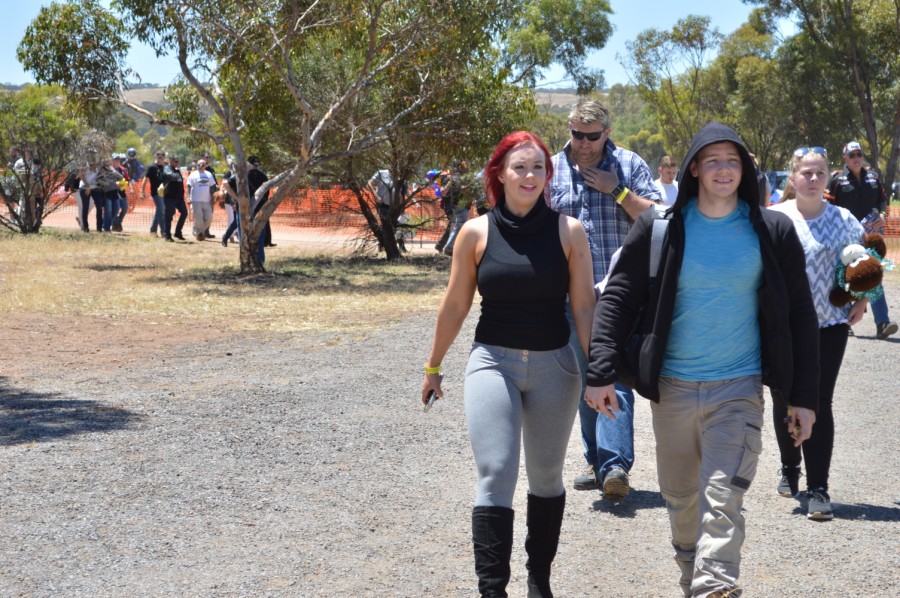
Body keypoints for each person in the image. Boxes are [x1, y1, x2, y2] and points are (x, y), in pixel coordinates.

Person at [584, 122, 820, 597]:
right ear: (694, 168)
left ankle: (715, 583)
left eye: (733, 161)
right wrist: (600, 371)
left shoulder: (771, 230)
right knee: (681, 499)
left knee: (723, 495)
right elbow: (619, 299)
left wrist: (804, 398)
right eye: (712, 161)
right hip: (672, 389)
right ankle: (692, 575)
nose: (723, 170)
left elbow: (799, 314)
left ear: (745, 170)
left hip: (738, 387)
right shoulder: (660, 228)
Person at [421, 131, 595, 597]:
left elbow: (583, 307)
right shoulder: (475, 233)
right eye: (520, 167)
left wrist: (599, 372)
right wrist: (433, 365)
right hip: (492, 364)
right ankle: (492, 590)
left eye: (539, 167)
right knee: (496, 473)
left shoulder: (569, 232)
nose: (530, 176)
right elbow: (456, 304)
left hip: (556, 367)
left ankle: (539, 580)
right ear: (499, 173)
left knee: (546, 477)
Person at [545, 99, 661, 501]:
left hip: (619, 293)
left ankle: (614, 465)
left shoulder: (629, 164)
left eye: (592, 136)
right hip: (569, 295)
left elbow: (657, 217)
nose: (583, 143)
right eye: (577, 134)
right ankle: (596, 460)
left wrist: (617, 190)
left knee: (612, 372)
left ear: (607, 132)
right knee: (586, 377)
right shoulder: (551, 168)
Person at [769, 146, 869, 521]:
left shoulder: (844, 220)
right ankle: (789, 466)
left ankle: (818, 488)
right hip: (782, 328)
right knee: (783, 398)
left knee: (818, 402)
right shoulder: (775, 217)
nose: (813, 179)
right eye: (806, 173)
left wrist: (862, 299)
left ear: (828, 178)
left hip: (828, 326)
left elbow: (865, 264)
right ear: (793, 178)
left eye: (820, 173)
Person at [826, 141, 897, 339]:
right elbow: (827, 207)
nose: (856, 158)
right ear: (845, 158)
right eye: (852, 155)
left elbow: (882, 200)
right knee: (844, 276)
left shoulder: (874, 177)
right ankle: (845, 321)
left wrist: (882, 214)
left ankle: (882, 323)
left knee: (872, 272)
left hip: (869, 238)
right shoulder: (837, 180)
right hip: (844, 237)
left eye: (859, 154)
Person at [440, 160, 476, 256]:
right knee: (461, 225)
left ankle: (450, 247)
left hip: (458, 203)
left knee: (457, 226)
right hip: (460, 203)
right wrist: (471, 185)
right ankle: (449, 247)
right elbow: (463, 188)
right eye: (465, 167)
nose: (467, 168)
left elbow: (444, 191)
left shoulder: (454, 177)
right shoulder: (459, 177)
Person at [186, 157, 216, 241]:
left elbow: (212, 186)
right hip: (196, 200)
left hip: (207, 200)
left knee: (209, 218)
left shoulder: (209, 174)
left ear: (206, 165)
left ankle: (197, 229)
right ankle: (200, 234)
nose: (200, 166)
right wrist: (188, 197)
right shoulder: (193, 174)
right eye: (199, 165)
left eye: (202, 164)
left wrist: (212, 198)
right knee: (199, 218)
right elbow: (188, 186)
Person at [162, 156, 188, 242]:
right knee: (168, 216)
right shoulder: (167, 168)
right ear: (171, 161)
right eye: (175, 161)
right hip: (170, 197)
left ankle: (177, 232)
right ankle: (167, 235)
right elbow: (171, 176)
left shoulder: (177, 170)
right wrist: (179, 174)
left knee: (184, 213)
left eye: (178, 161)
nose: (177, 163)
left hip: (179, 197)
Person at [96, 157, 124, 232]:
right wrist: (113, 185)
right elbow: (98, 181)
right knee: (108, 212)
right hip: (106, 194)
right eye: (106, 161)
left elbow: (121, 178)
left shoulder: (112, 170)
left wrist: (115, 172)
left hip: (114, 193)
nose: (108, 162)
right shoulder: (101, 170)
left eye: (109, 161)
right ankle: (107, 229)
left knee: (116, 209)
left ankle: (104, 224)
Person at [145, 151, 168, 237]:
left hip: (164, 192)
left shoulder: (165, 167)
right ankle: (164, 232)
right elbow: (145, 179)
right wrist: (142, 191)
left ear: (164, 158)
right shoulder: (152, 167)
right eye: (159, 156)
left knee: (159, 211)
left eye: (162, 157)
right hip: (156, 192)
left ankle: (153, 230)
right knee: (162, 211)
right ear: (156, 157)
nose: (160, 158)